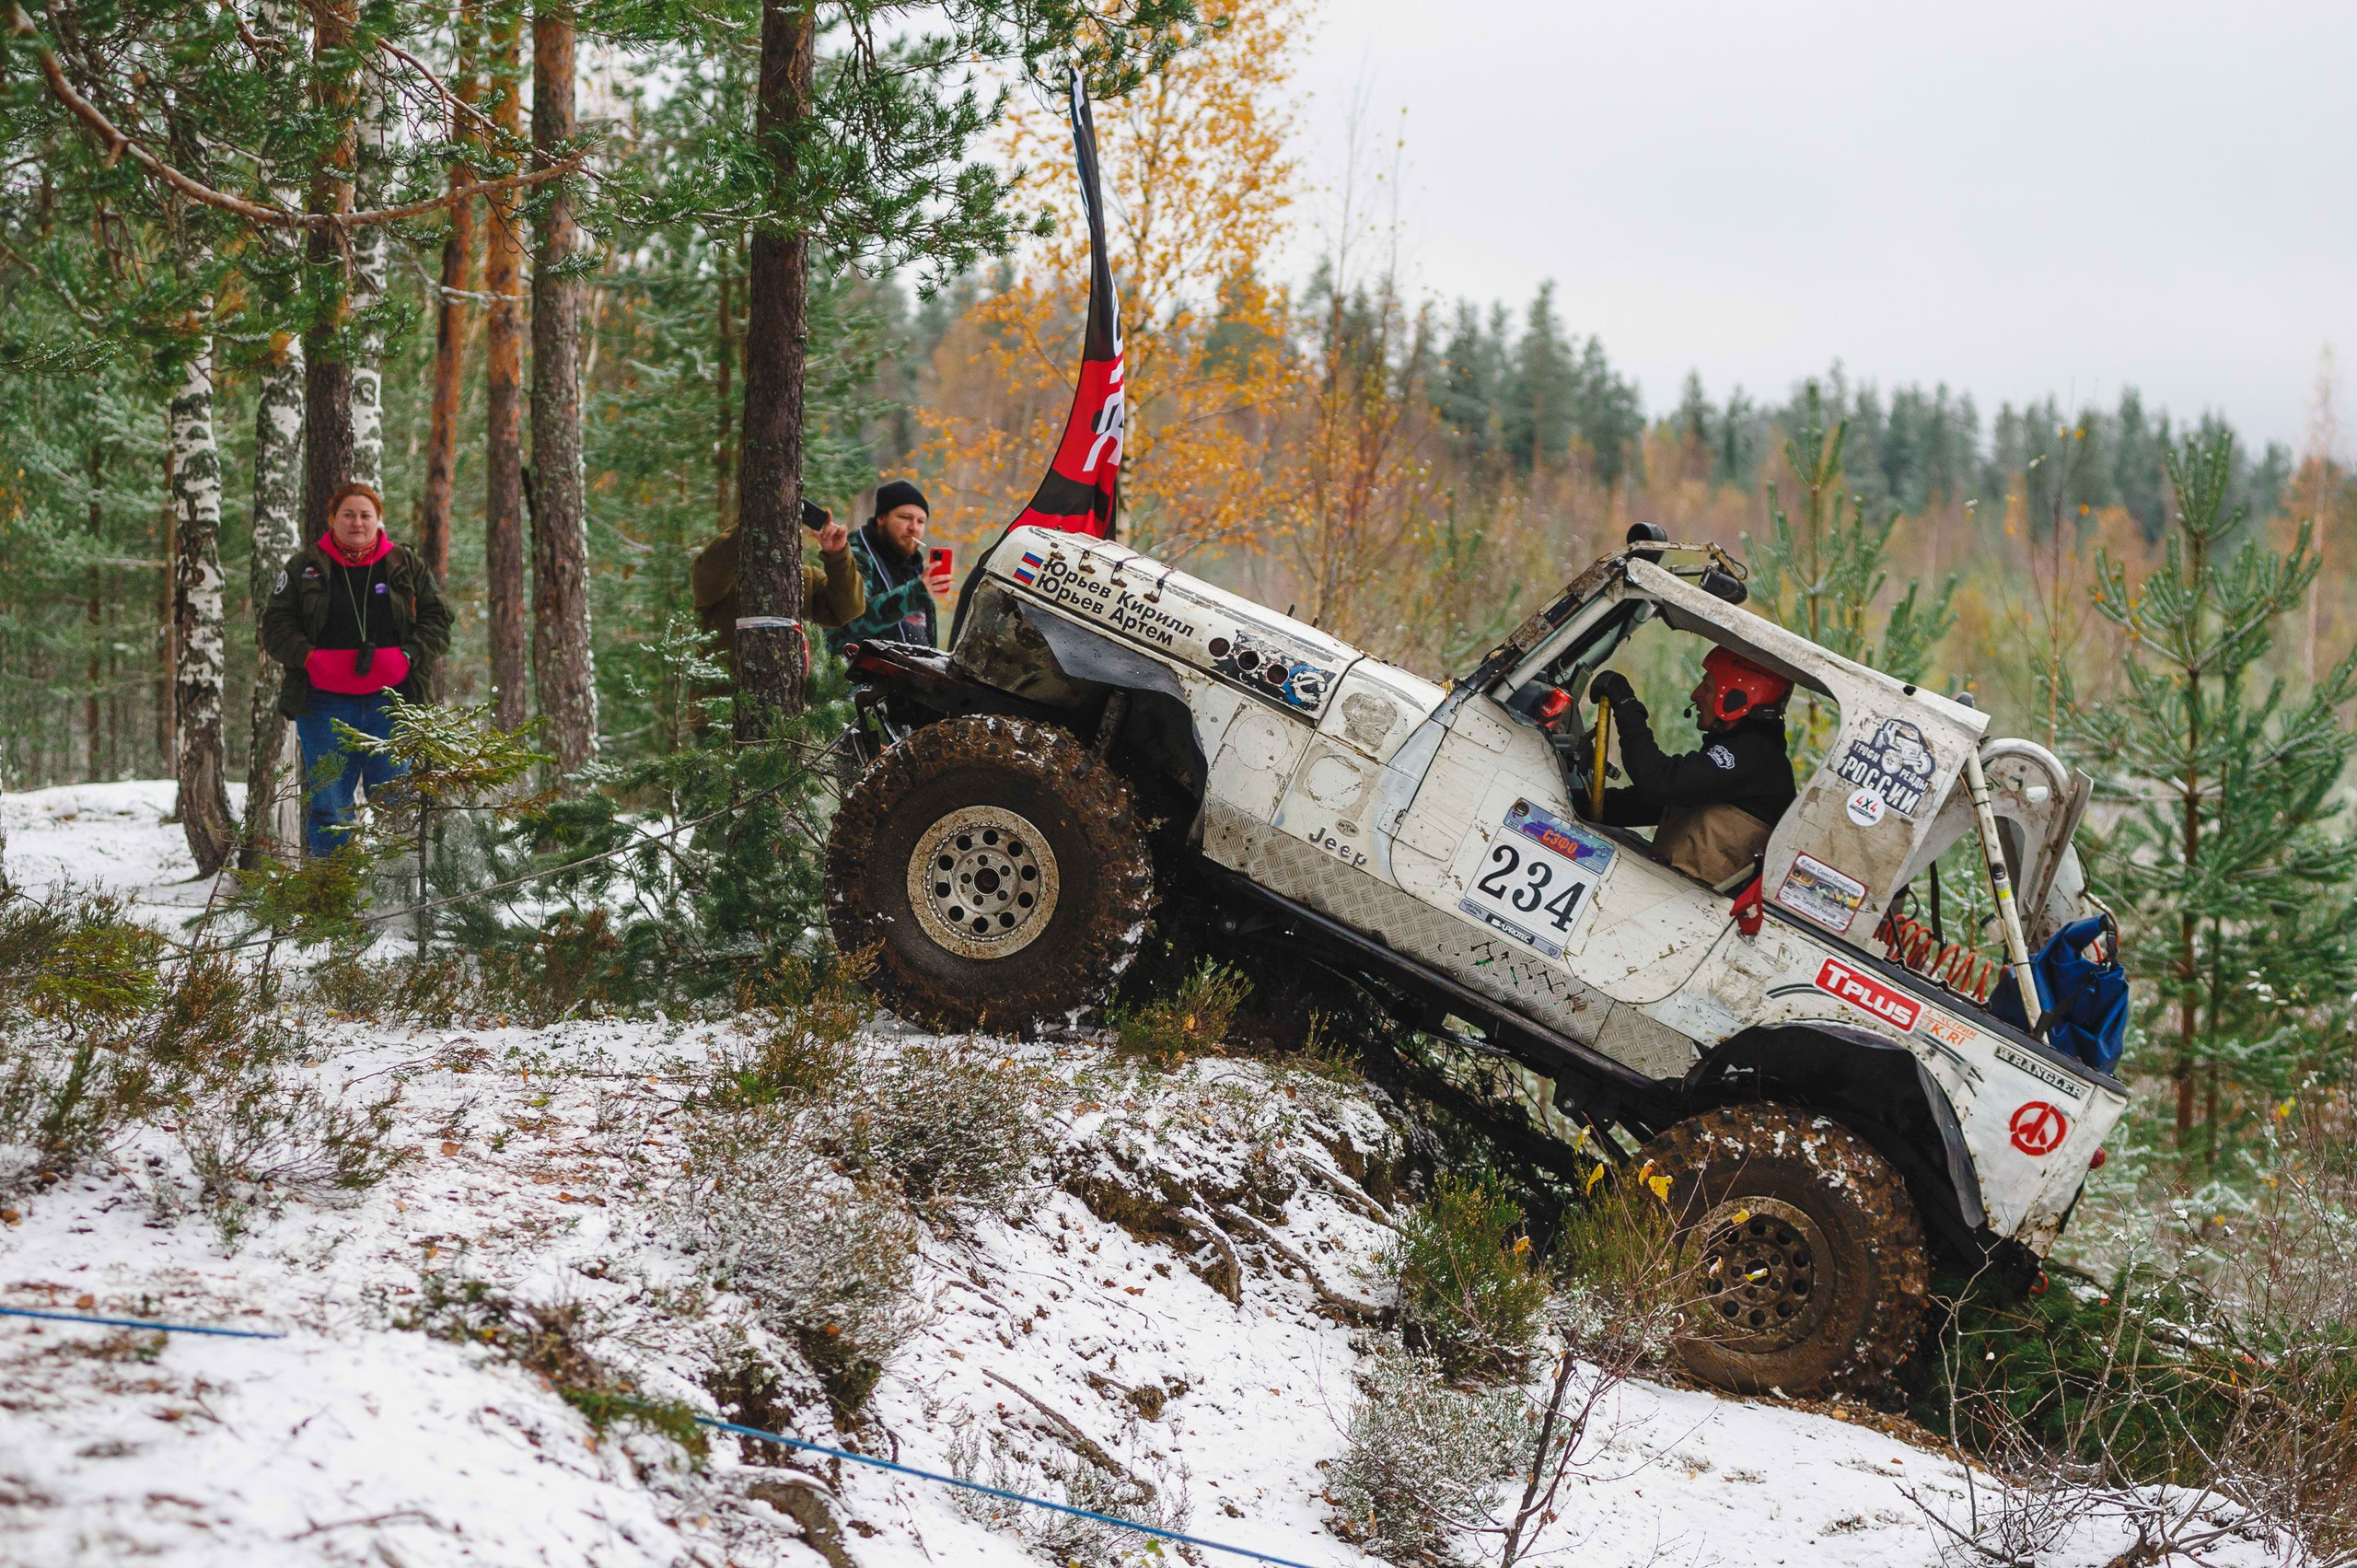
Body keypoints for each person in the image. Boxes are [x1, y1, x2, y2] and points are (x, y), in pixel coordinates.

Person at [260, 482, 454, 858]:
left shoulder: (404, 564)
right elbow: (275, 627)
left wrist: (408, 655)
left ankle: (397, 892)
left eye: (366, 515)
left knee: (397, 802)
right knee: (331, 805)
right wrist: (311, 659)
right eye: (348, 514)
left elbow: (439, 617)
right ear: (332, 519)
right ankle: (334, 897)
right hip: (324, 704)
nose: (357, 522)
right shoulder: (304, 568)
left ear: (378, 520)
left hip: (393, 702)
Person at [1585, 646, 1796, 886]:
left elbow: (1658, 782)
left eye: (1706, 687)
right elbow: (1657, 803)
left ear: (1737, 699)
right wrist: (1579, 801)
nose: (1696, 695)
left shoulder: (1755, 755)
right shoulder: (1753, 755)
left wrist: (1626, 704)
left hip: (1690, 903)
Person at [690, 498, 869, 679]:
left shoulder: (804, 579)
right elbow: (713, 565)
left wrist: (837, 554)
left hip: (788, 700)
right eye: (766, 533)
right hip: (724, 700)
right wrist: (757, 521)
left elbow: (849, 608)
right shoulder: (720, 580)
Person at [823, 480, 955, 657]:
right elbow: (852, 618)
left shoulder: (914, 568)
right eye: (905, 517)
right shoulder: (856, 556)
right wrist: (915, 593)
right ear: (881, 519)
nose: (913, 527)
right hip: (857, 678)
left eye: (921, 521)